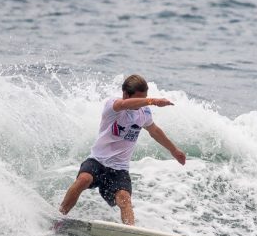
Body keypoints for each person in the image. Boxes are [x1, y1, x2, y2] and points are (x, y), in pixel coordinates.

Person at [59, 75, 186, 225]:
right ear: (126, 94)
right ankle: (60, 216)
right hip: (97, 160)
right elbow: (122, 104)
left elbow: (155, 131)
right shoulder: (113, 106)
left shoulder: (144, 112)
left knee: (124, 199)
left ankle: (132, 232)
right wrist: (153, 101)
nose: (142, 103)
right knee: (84, 179)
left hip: (119, 169)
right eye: (139, 99)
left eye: (144, 98)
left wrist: (174, 150)